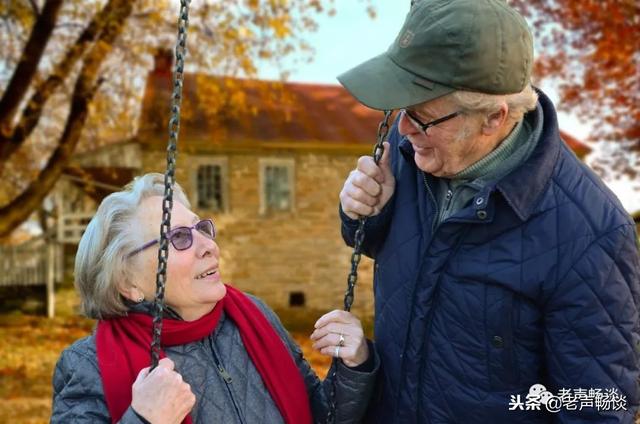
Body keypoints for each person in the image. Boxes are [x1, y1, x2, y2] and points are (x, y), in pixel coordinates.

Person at [337, 0, 640, 422]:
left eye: (422, 118)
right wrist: (364, 212)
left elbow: (600, 406)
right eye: (401, 110)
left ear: (493, 118)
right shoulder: (413, 149)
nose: (404, 129)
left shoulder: (591, 234)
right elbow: (378, 244)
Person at [51, 173, 378, 424]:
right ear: (128, 282)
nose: (208, 245)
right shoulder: (87, 364)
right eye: (178, 238)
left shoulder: (253, 318)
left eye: (201, 229)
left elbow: (319, 415)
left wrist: (352, 366)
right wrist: (144, 419)